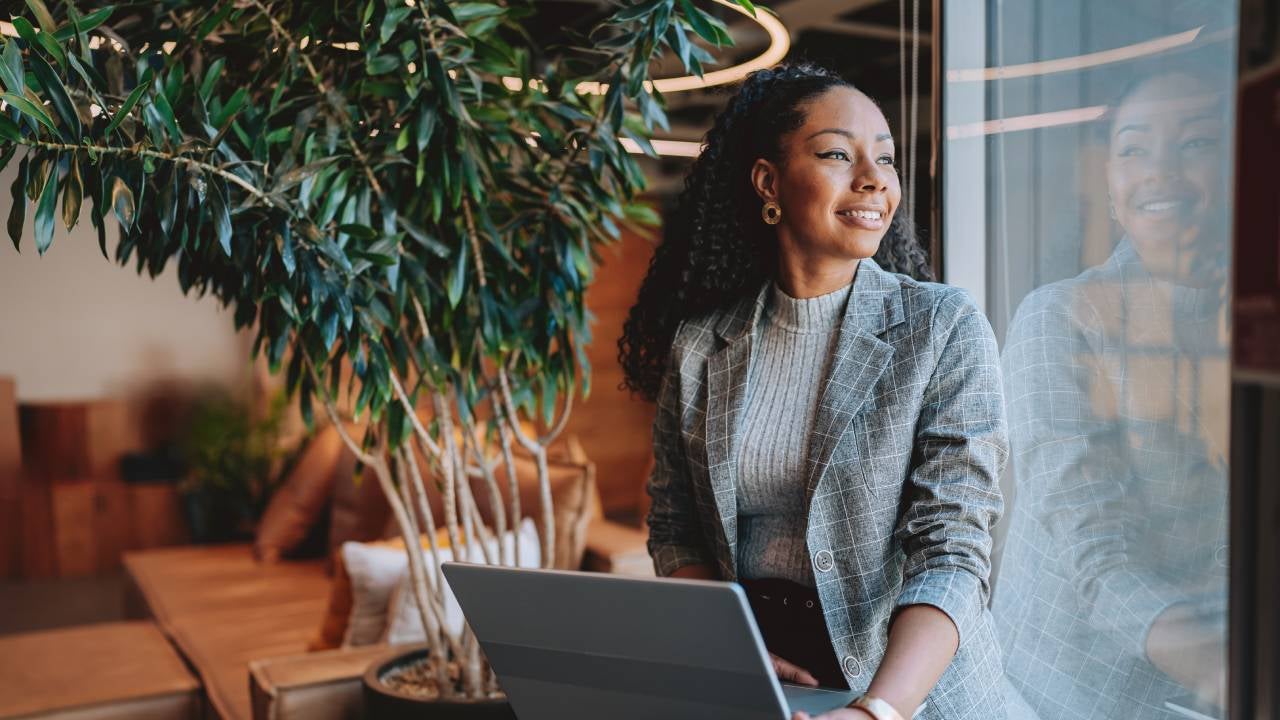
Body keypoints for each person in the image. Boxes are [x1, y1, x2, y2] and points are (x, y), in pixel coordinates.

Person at [619, 62, 1008, 720]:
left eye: (885, 159)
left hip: (912, 692)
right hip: (765, 681)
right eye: (838, 153)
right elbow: (677, 527)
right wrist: (727, 648)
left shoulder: (942, 327)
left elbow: (953, 549)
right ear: (769, 182)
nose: (874, 180)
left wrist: (875, 711)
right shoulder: (701, 343)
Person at [993, 68, 1231, 720]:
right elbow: (1099, 564)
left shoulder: (1255, 327)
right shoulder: (1061, 318)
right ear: (1110, 190)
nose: (1159, 170)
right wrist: (1232, 672)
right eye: (1132, 148)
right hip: (1067, 697)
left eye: (1196, 144)